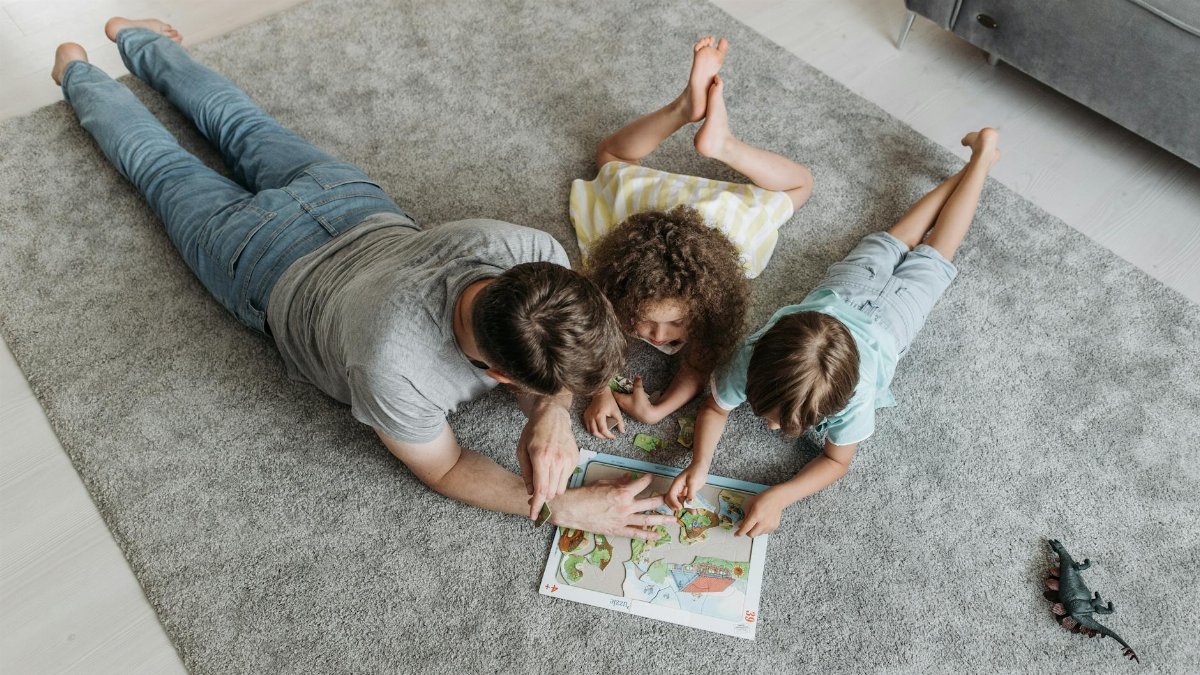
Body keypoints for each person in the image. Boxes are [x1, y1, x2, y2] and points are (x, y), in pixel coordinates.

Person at [51, 18, 676, 538]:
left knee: (237, 120)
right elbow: (447, 467)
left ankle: (137, 40)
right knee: (156, 168)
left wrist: (552, 414)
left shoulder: (527, 245)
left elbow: (547, 361)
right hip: (257, 258)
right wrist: (560, 505)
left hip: (347, 199)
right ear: (501, 376)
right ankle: (74, 69)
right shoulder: (391, 368)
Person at [666, 128, 1001, 536]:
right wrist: (699, 464)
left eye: (778, 422)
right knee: (904, 239)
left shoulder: (855, 402)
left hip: (892, 314)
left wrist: (781, 495)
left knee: (933, 250)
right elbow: (715, 407)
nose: (770, 429)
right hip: (850, 287)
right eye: (766, 414)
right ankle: (971, 165)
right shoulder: (750, 356)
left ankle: (979, 163)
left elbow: (837, 461)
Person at [570, 37, 814, 437]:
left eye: (676, 323)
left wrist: (659, 410)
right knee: (609, 160)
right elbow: (586, 332)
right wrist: (598, 391)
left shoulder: (715, 289)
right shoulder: (617, 281)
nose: (661, 338)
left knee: (801, 186)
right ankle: (701, 123)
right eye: (647, 323)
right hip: (648, 210)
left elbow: (700, 363)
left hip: (720, 220)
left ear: (703, 304)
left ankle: (706, 128)